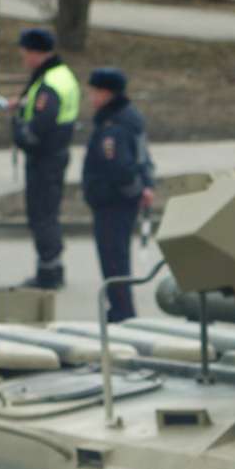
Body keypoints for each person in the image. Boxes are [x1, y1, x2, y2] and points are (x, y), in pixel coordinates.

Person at [81, 67, 156, 324]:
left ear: (106, 93)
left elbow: (120, 167)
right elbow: (144, 157)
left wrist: (134, 190)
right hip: (120, 200)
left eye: (93, 92)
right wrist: (146, 186)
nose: (90, 97)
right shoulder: (130, 117)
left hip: (112, 202)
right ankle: (121, 309)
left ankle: (122, 313)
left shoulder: (113, 127)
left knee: (113, 260)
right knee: (117, 257)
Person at [11, 27, 80, 290]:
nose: (23, 59)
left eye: (24, 53)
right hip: (56, 154)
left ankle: (49, 272)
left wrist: (18, 128)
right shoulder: (61, 75)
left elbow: (39, 126)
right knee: (48, 212)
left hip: (45, 158)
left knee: (42, 214)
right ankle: (52, 266)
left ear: (34, 53)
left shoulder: (49, 84)